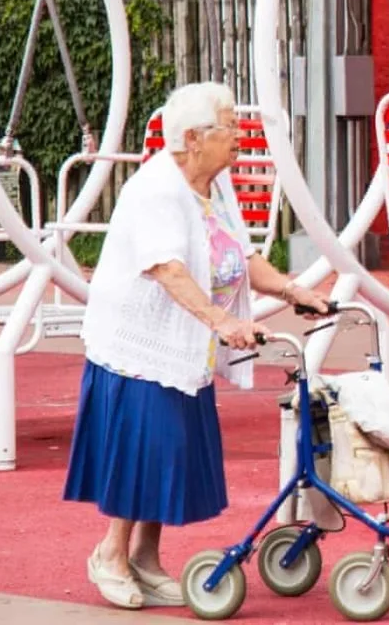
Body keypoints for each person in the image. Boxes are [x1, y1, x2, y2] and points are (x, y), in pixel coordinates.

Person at [64, 82, 330, 610]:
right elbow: (167, 267)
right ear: (191, 137)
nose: (238, 136)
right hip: (139, 343)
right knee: (147, 450)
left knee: (172, 453)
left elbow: (238, 255)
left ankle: (145, 558)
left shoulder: (214, 186)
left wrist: (291, 289)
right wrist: (219, 320)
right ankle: (110, 554)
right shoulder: (157, 188)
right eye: (228, 126)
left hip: (183, 344)